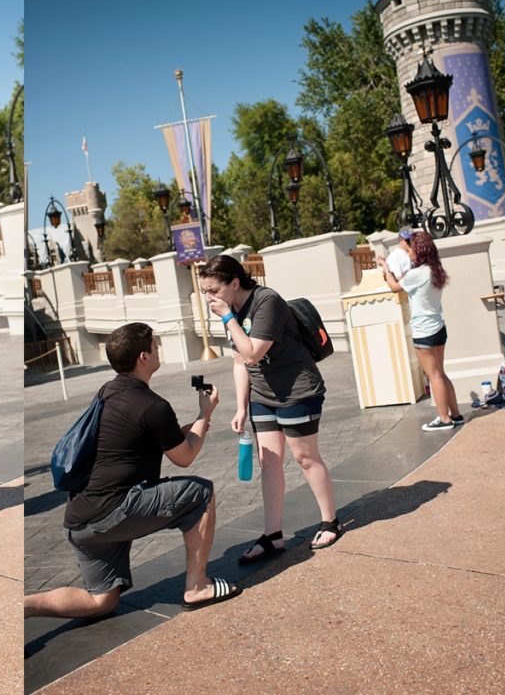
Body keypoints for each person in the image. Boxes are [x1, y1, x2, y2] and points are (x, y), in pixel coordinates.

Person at [24, 322, 240, 618]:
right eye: (154, 345)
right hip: (112, 512)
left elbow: (127, 441)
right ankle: (198, 585)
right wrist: (205, 412)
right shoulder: (153, 406)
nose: (157, 348)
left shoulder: (107, 391)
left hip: (80, 520)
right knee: (200, 493)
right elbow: (185, 457)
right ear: (143, 357)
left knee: (101, 602)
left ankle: (23, 606)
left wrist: (180, 432)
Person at [198, 255, 341, 562]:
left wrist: (227, 317)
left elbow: (252, 353)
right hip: (262, 394)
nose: (210, 298)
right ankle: (272, 535)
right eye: (205, 292)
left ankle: (330, 520)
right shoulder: (230, 309)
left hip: (297, 390)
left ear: (234, 283)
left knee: (304, 457)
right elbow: (239, 361)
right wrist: (241, 408)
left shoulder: (267, 302)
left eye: (213, 290)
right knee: (269, 462)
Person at [377, 231, 463, 431]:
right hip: (438, 326)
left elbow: (394, 287)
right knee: (440, 373)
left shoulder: (417, 273)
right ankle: (456, 415)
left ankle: (444, 419)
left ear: (420, 251)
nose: (408, 254)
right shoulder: (436, 270)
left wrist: (386, 269)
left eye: (411, 249)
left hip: (424, 329)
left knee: (433, 375)